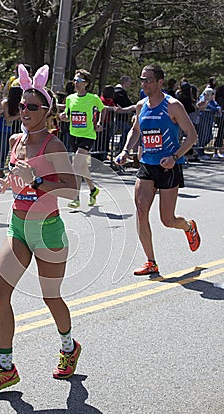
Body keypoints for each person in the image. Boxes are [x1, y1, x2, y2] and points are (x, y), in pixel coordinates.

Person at [0, 64, 81, 394]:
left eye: (32, 107)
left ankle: (69, 347)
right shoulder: (15, 139)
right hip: (18, 225)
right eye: (22, 104)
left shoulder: (53, 146)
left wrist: (35, 181)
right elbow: (16, 180)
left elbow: (72, 190)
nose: (24, 110)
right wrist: (3, 184)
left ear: (46, 112)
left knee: (51, 297)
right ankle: (6, 367)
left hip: (47, 229)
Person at [117, 63, 200, 275]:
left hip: (168, 167)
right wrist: (126, 150)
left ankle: (189, 227)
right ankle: (151, 261)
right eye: (141, 79)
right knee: (141, 209)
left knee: (167, 220)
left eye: (148, 80)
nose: (143, 83)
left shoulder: (173, 106)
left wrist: (174, 157)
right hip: (147, 165)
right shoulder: (140, 105)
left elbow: (192, 137)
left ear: (159, 82)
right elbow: (135, 131)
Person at [60, 69, 105, 208]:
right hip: (74, 135)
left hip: (88, 135)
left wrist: (99, 123)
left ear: (86, 83)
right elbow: (68, 116)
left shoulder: (93, 98)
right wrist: (63, 117)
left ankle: (76, 198)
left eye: (78, 81)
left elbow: (103, 109)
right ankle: (93, 189)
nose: (75, 83)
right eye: (74, 80)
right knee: (82, 166)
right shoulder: (70, 98)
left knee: (76, 165)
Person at [195, 87, 221, 160]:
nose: (212, 95)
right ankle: (200, 152)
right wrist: (215, 108)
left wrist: (218, 108)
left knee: (209, 136)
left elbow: (216, 105)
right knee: (203, 136)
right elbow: (207, 107)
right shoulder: (203, 99)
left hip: (209, 120)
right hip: (203, 120)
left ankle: (200, 150)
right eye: (211, 93)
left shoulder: (212, 100)